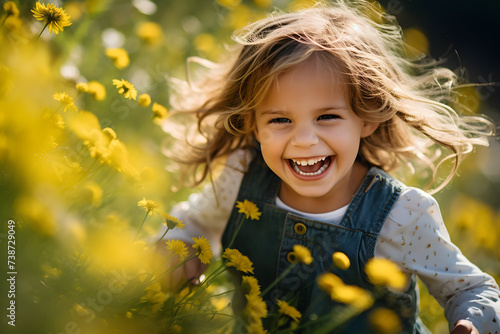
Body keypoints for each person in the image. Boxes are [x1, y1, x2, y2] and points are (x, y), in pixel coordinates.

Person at [158, 1, 500, 332]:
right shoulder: (241, 176)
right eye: (280, 119)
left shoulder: (402, 215)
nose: (305, 140)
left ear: (366, 117)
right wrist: (181, 252)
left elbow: (471, 289)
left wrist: (470, 322)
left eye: (327, 117)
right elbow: (192, 224)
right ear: (253, 125)